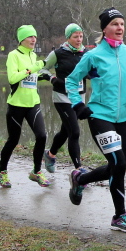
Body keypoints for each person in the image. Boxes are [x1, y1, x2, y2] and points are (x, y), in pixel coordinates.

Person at [66, 7, 126, 233]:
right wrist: (77, 104)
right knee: (117, 163)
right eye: (114, 24)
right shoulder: (93, 56)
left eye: (122, 24)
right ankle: (120, 216)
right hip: (99, 115)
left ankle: (81, 179)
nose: (119, 28)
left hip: (123, 117)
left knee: (119, 165)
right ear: (104, 29)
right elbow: (71, 80)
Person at [0, 25, 50, 188]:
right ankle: (2, 172)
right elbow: (13, 78)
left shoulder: (33, 55)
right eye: (30, 37)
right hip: (16, 105)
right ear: (21, 39)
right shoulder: (13, 55)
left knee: (42, 136)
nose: (34, 39)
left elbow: (31, 77)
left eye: (35, 36)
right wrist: (34, 68)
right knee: (13, 140)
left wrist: (44, 77)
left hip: (33, 103)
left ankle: (36, 171)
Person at [40, 23, 87, 175]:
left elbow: (92, 70)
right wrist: (52, 78)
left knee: (65, 131)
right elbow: (42, 68)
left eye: (81, 36)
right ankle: (79, 169)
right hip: (62, 97)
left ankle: (50, 154)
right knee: (74, 131)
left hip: (78, 98)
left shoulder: (85, 53)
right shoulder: (58, 53)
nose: (79, 39)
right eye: (75, 37)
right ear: (68, 38)